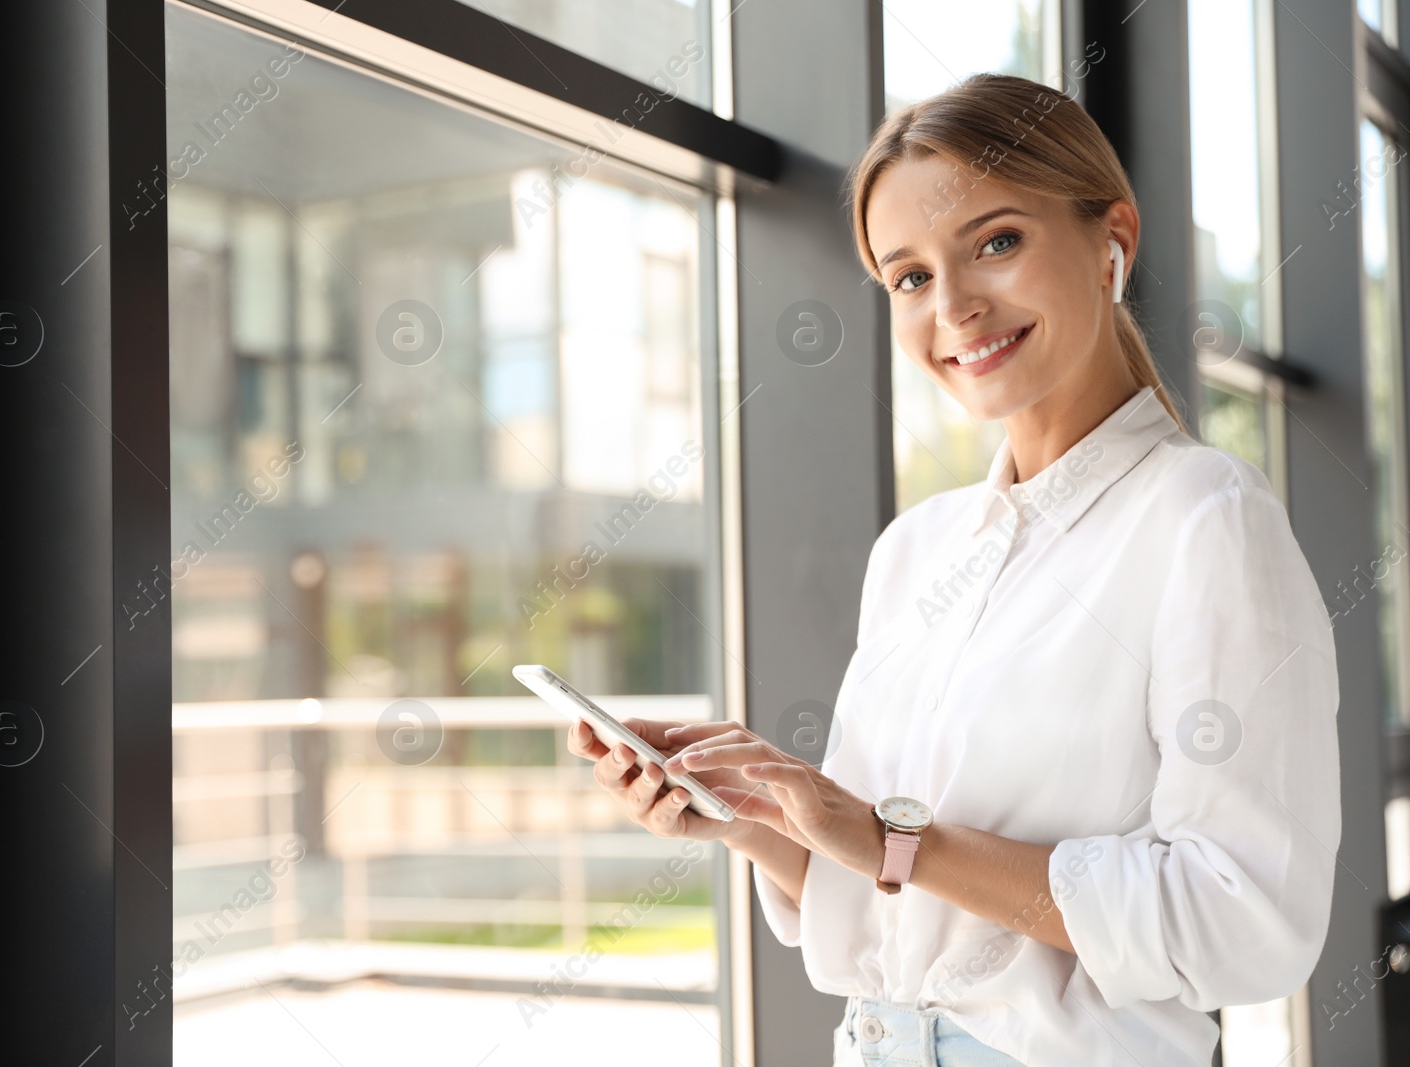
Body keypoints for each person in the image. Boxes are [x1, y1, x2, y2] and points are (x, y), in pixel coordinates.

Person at [566, 72, 1341, 1066]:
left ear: (1114, 237)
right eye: (911, 277)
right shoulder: (917, 551)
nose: (956, 307)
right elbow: (904, 907)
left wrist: (889, 835)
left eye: (996, 242)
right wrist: (761, 815)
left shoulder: (1205, 519)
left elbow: (1242, 923)